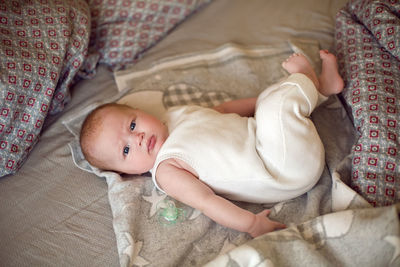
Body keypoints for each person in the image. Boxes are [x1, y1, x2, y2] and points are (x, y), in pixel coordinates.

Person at [80, 50, 344, 237]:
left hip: (269, 139)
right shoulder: (166, 169)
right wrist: (250, 225)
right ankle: (307, 82)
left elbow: (225, 108)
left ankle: (322, 88)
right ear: (129, 172)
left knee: (268, 100)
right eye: (126, 150)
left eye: (133, 124)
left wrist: (264, 100)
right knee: (277, 105)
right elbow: (206, 201)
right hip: (281, 167)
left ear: (139, 111)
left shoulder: (174, 116)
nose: (136, 138)